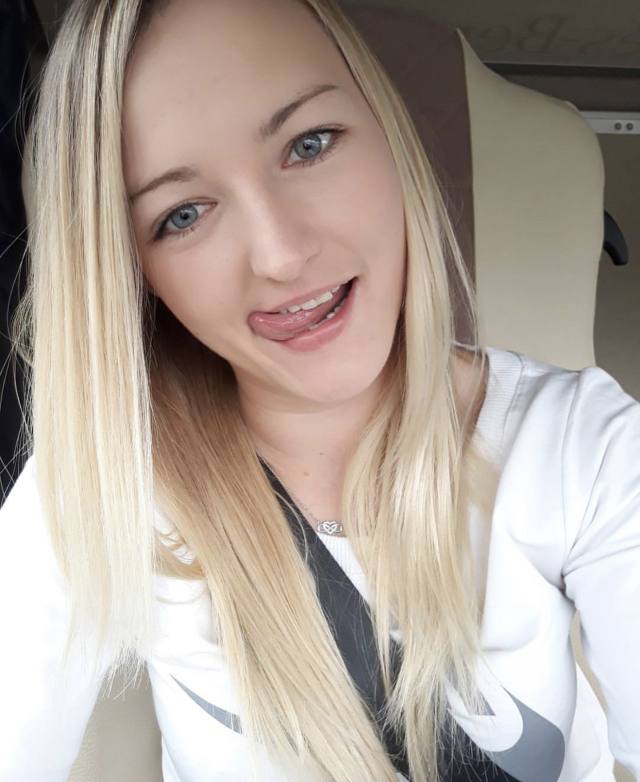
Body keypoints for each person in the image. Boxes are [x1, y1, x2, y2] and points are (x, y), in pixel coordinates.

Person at [1, 0, 638, 780]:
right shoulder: (96, 489)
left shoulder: (588, 451)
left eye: (309, 144)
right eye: (183, 214)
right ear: (135, 273)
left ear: (389, 135)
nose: (279, 255)